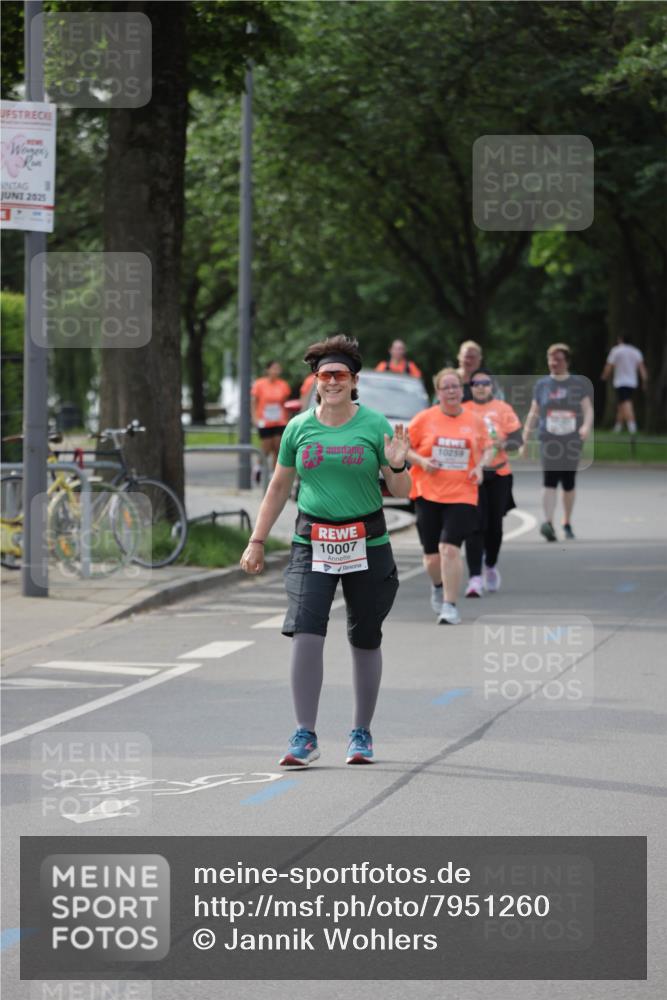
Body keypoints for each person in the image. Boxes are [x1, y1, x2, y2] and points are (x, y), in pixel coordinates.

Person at [240, 334, 411, 767]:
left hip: (366, 543)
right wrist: (256, 540)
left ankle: (361, 733)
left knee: (365, 638)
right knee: (306, 631)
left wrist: (396, 463)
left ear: (354, 381)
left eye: (340, 375)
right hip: (311, 542)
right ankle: (305, 735)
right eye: (324, 375)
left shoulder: (375, 426)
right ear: (315, 381)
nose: (332, 382)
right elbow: (279, 487)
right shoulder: (299, 427)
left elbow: (400, 489)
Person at [407, 368, 493, 624]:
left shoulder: (474, 420)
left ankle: (450, 605)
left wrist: (480, 467)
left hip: (462, 492)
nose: (452, 391)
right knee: (432, 556)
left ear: (462, 389)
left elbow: (489, 448)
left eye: (456, 386)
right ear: (438, 392)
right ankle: (437, 586)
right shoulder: (424, 419)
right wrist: (422, 461)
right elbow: (404, 449)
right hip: (428, 492)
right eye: (446, 387)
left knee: (449, 549)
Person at [522, 343, 594, 542]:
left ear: (567, 362)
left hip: (571, 439)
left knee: (568, 483)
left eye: (559, 359)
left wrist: (586, 426)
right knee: (549, 480)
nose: (554, 363)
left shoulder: (578, 384)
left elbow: (587, 409)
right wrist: (525, 439)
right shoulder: (542, 385)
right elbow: (534, 412)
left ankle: (566, 521)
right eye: (551, 359)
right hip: (549, 438)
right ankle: (549, 523)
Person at [462, 368, 523, 596]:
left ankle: (490, 566)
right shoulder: (463, 409)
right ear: (470, 387)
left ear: (492, 385)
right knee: (474, 526)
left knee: (494, 527)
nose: (480, 387)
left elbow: (517, 440)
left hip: (498, 474)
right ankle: (475, 577)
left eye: (485, 383)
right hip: (471, 477)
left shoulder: (502, 409)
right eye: (476, 383)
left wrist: (501, 444)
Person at [250, 361, 292, 478]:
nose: (276, 371)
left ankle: (274, 472)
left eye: (278, 368)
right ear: (268, 370)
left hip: (280, 420)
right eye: (273, 368)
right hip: (264, 420)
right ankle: (258, 467)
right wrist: (254, 418)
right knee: (266, 446)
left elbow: (286, 404)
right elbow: (254, 402)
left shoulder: (283, 385)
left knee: (277, 446)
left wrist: (288, 419)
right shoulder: (259, 384)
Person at [601, 335, 648, 435]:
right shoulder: (636, 351)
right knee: (622, 404)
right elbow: (642, 368)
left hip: (621, 382)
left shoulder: (616, 350)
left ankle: (632, 427)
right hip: (632, 383)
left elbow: (609, 365)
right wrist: (644, 381)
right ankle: (618, 427)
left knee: (626, 404)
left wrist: (604, 376)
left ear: (620, 340)